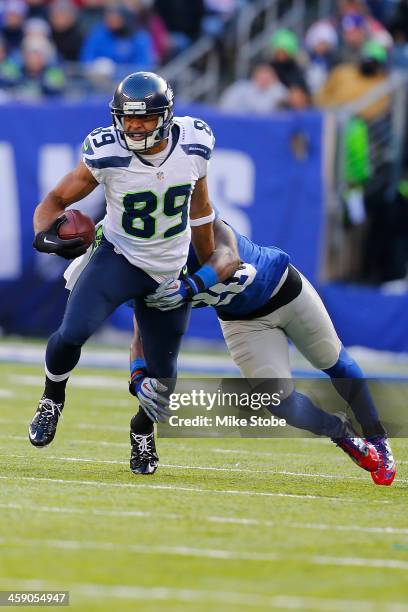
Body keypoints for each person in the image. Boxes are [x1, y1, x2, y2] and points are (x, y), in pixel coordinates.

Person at [29, 72, 239, 475]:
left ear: (165, 116)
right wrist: (44, 235)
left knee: (164, 381)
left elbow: (200, 209)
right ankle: (52, 399)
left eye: (143, 119)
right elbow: (55, 199)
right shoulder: (106, 150)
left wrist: (204, 270)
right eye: (126, 118)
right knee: (71, 332)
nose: (133, 126)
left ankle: (142, 431)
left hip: (169, 265)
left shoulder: (194, 142)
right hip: (119, 256)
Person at [131, 214, 396, 486]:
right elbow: (142, 329)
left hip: (284, 290)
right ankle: (340, 431)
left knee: (335, 363)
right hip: (243, 322)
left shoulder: (198, 230)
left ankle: (378, 438)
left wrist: (190, 287)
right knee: (279, 402)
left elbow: (228, 259)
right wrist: (136, 375)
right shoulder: (148, 267)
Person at [219, 63, 288, 115]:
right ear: (254, 76)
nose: (264, 80)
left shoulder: (278, 90)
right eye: (261, 77)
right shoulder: (241, 88)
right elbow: (225, 105)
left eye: (267, 78)